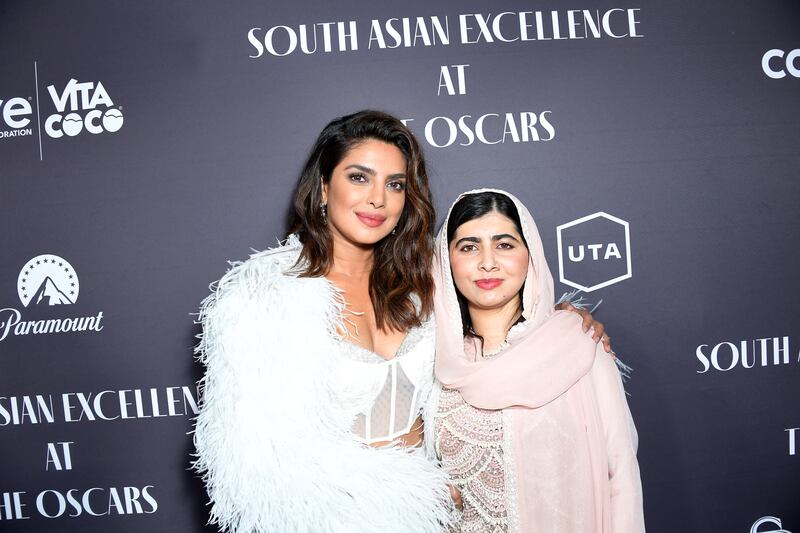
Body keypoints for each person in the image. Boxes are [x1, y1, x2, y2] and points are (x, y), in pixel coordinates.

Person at [192, 112, 609, 533]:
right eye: (359, 178)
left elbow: (498, 300)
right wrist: (412, 493)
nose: (378, 199)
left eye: (395, 184)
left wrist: (562, 323)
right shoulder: (265, 297)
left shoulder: (424, 282)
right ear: (322, 188)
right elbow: (252, 466)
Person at [431, 189, 644, 532]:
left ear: (530, 255)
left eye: (504, 244)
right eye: (469, 247)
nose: (488, 262)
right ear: (446, 260)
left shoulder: (577, 346)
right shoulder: (431, 357)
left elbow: (621, 477)